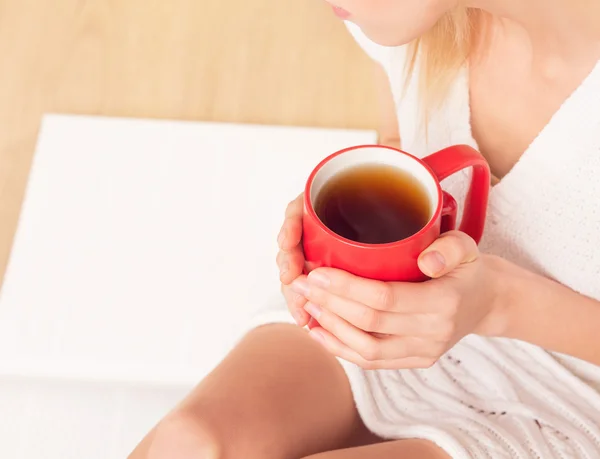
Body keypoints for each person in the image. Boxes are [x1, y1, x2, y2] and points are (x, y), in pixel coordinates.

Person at [129, 0, 600, 457]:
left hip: (581, 392)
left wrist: (497, 301)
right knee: (189, 445)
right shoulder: (413, 20)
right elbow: (400, 141)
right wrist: (346, 233)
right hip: (408, 315)